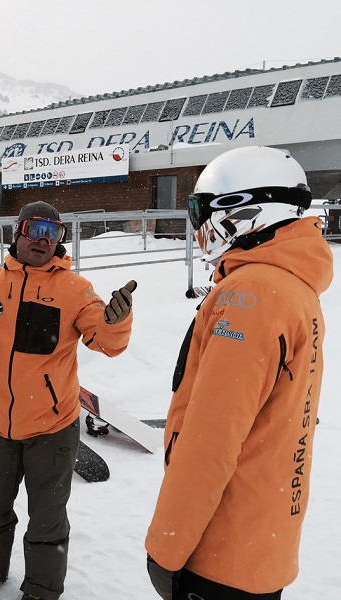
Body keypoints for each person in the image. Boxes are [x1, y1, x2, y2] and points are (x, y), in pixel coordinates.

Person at [145, 146, 333, 599]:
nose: (198, 226)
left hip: (220, 553)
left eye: (200, 210)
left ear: (243, 211)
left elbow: (209, 442)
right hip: (261, 539)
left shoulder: (252, 294)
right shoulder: (292, 285)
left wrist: (166, 548)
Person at [0, 200, 136, 600]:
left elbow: (104, 340)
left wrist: (116, 322)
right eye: (36, 229)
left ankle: (42, 589)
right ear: (18, 232)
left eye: (54, 232)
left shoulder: (74, 289)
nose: (44, 240)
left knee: (47, 518)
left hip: (52, 426)